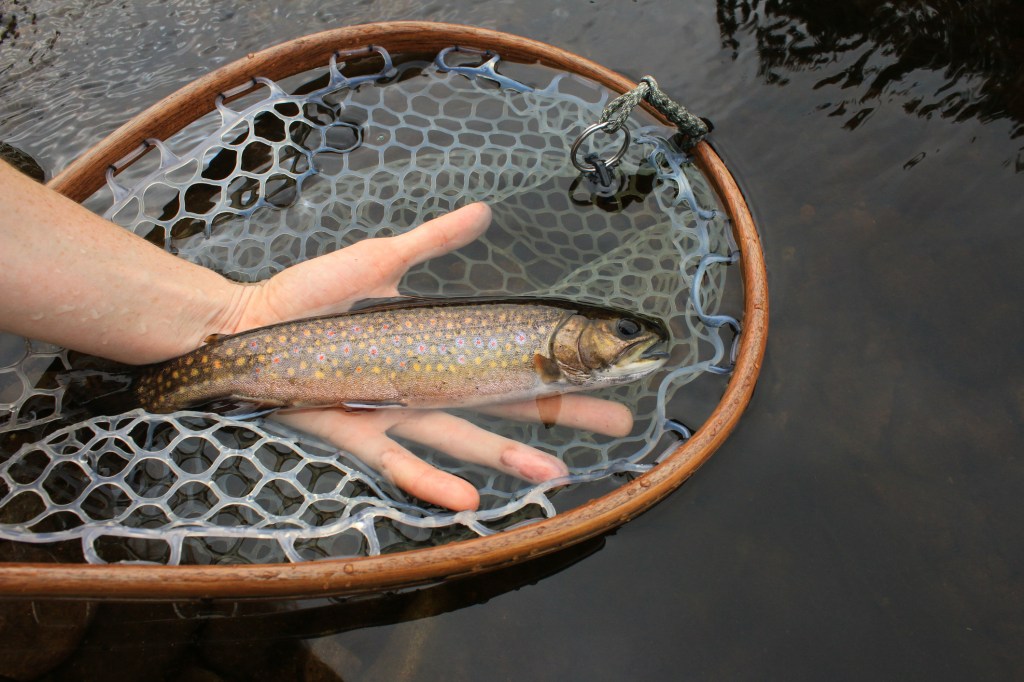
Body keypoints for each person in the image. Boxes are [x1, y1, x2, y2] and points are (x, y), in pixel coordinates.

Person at [0, 159, 635, 511]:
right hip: (264, 364)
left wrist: (220, 315)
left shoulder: (547, 345)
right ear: (573, 335)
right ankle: (137, 395)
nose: (629, 341)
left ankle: (137, 395)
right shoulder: (542, 346)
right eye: (622, 332)